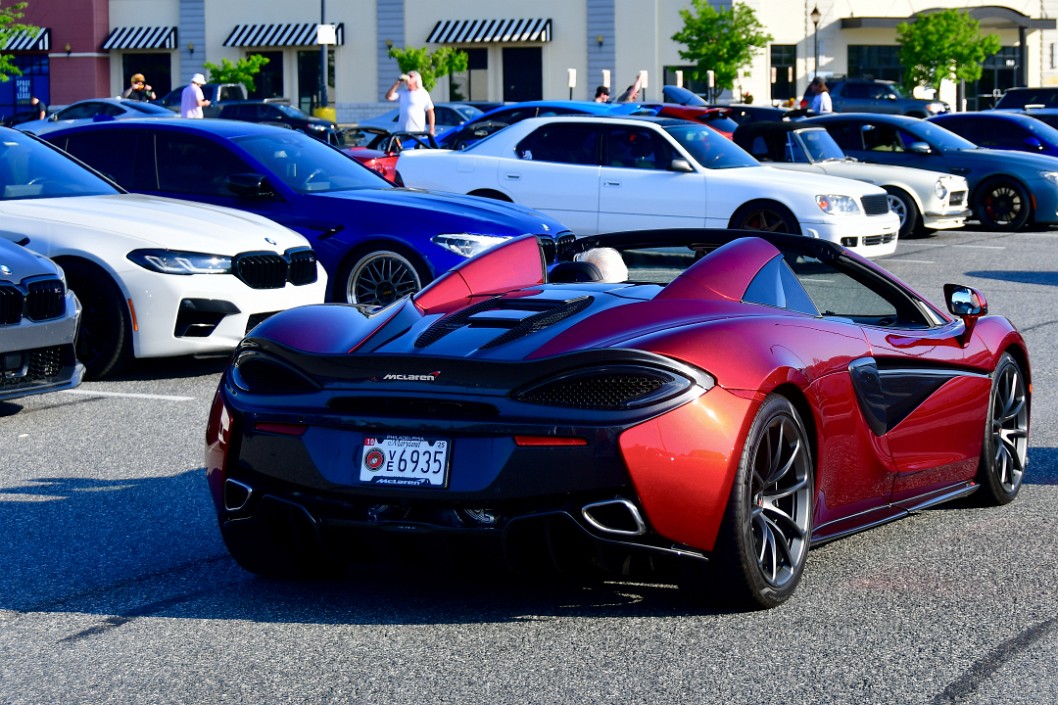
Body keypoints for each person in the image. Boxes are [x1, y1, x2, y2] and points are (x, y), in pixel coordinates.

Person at [385, 70, 435, 134]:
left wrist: (431, 129)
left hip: (417, 131)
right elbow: (388, 97)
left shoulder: (423, 93)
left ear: (417, 79)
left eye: (411, 76)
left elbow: (430, 111)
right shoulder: (403, 93)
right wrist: (397, 84)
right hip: (402, 131)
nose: (408, 78)